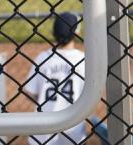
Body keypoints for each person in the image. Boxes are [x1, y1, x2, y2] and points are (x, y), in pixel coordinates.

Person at [24, 12, 87, 145]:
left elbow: (29, 91)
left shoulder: (43, 58)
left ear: (53, 33)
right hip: (73, 130)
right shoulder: (84, 60)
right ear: (77, 34)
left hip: (42, 130)